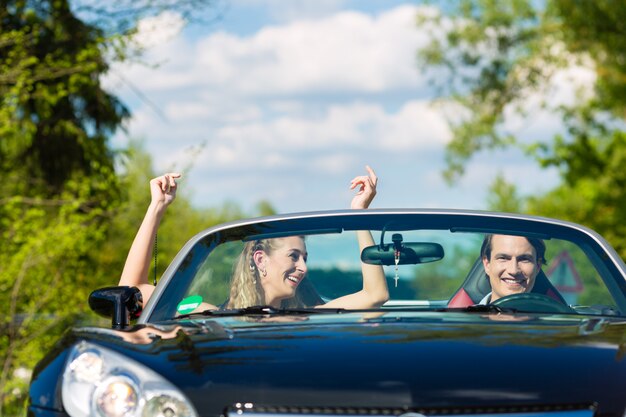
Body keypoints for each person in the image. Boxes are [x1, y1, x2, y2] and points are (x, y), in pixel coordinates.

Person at [118, 166, 388, 311]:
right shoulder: (211, 316)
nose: (304, 268)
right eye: (294, 256)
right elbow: (129, 291)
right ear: (261, 259)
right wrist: (156, 208)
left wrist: (359, 214)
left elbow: (375, 294)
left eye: (305, 258)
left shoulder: (311, 316)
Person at [478, 234, 546, 304]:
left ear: (538, 266)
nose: (513, 271)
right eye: (503, 258)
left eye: (524, 259)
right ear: (487, 264)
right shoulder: (468, 315)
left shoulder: (555, 315)